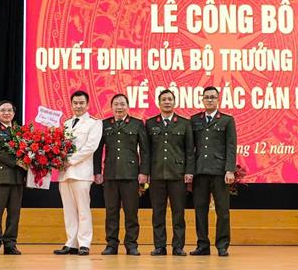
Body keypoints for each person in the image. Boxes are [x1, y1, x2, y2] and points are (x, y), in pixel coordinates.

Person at [93, 93, 150, 255]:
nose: (119, 107)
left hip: (131, 174)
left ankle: (131, 244)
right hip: (110, 175)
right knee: (111, 212)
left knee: (131, 212)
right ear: (111, 107)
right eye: (116, 104)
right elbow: (98, 151)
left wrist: (144, 172)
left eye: (122, 104)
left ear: (128, 106)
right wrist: (97, 172)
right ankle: (111, 244)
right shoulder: (104, 124)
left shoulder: (137, 124)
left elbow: (145, 151)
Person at [53, 90, 103, 256]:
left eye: (81, 103)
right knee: (69, 210)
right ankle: (71, 243)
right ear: (71, 104)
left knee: (83, 209)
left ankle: (84, 244)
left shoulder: (94, 123)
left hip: (81, 172)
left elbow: (91, 147)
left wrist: (70, 160)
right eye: (75, 103)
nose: (78, 106)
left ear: (87, 105)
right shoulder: (67, 123)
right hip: (64, 173)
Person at [146, 89, 195, 256]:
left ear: (174, 102)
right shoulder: (151, 123)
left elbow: (190, 150)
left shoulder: (184, 123)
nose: (167, 102)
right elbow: (146, 151)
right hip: (157, 174)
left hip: (178, 175)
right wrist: (145, 172)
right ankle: (160, 246)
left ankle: (178, 246)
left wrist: (189, 171)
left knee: (178, 213)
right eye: (164, 99)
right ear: (158, 103)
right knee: (158, 212)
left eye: (170, 99)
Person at [190, 86, 237, 257]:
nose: (209, 100)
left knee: (222, 211)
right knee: (200, 211)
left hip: (219, 172)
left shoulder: (227, 120)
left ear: (218, 99)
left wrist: (230, 170)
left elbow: (231, 147)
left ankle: (222, 245)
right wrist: (189, 170)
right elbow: (190, 148)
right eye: (207, 97)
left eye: (213, 97)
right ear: (202, 100)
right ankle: (203, 245)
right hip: (200, 171)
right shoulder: (194, 120)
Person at [0, 100, 26, 255]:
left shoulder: (20, 131)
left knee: (14, 214)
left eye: (9, 110)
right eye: (3, 110)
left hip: (17, 179)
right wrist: (17, 162)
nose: (6, 113)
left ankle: (10, 244)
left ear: (14, 113)